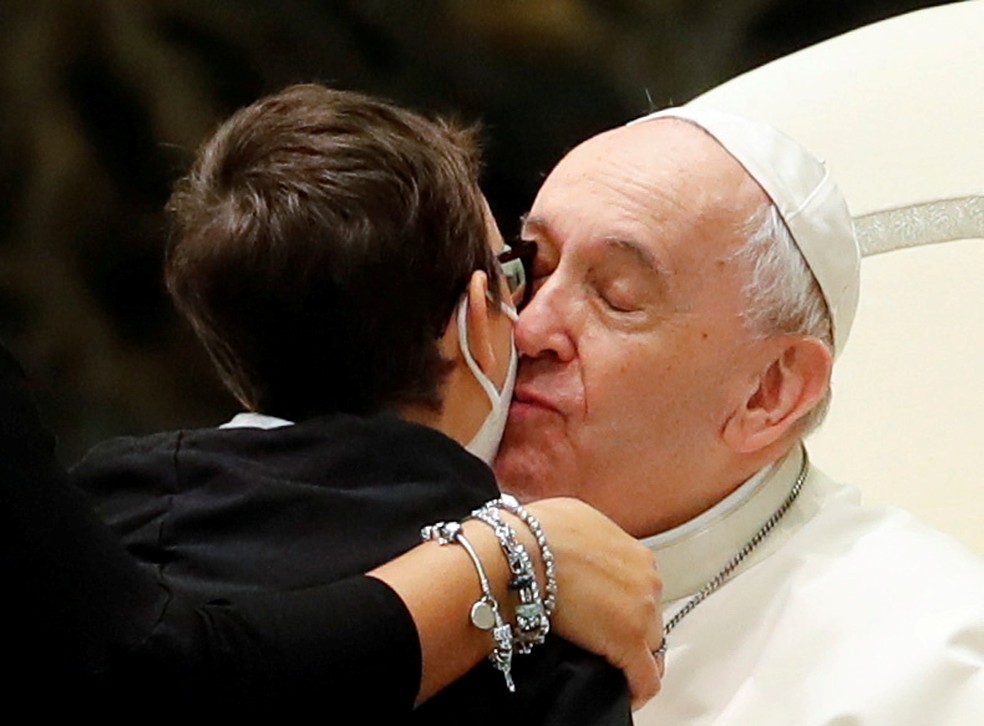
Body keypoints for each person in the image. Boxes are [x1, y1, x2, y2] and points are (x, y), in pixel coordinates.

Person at [69, 85, 662, 720]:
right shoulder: (541, 641)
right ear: (466, 323)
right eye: (513, 276)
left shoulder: (92, 523)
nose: (533, 325)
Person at [493, 106, 984, 724]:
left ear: (768, 393)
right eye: (530, 269)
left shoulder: (934, 664)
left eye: (616, 297)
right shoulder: (412, 530)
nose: (529, 327)